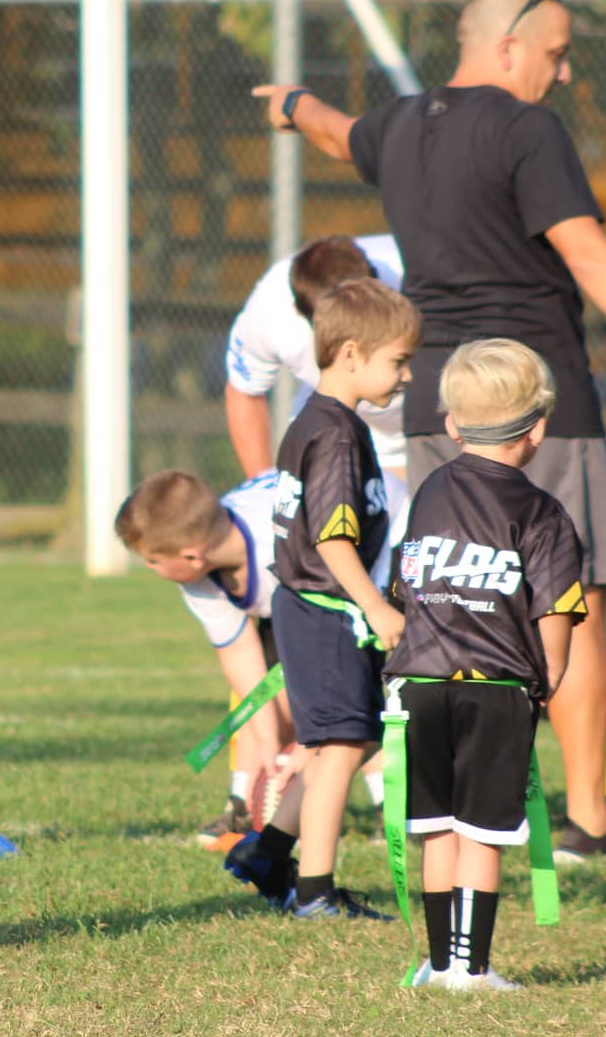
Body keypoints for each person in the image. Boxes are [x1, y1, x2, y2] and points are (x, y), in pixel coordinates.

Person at [255, 0, 606, 864]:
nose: (562, 75)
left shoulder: (401, 124)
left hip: (437, 399)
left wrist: (292, 105)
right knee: (571, 601)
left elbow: (335, 132)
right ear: (508, 48)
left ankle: (457, 797)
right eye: (556, 55)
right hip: (534, 397)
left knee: (455, 594)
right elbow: (587, 252)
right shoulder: (527, 129)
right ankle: (589, 821)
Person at [389, 339, 585, 992]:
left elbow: (404, 583)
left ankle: (439, 963)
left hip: (418, 683)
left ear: (452, 425)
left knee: (436, 830)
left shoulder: (427, 493)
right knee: (481, 833)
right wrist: (550, 674)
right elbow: (555, 605)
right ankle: (471, 969)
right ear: (538, 429)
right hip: (496, 688)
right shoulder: (541, 512)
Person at [263, 277, 418, 920]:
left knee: (344, 741)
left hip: (314, 608)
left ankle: (268, 853)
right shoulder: (335, 434)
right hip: (327, 609)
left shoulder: (322, 420)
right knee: (345, 745)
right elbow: (332, 535)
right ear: (352, 354)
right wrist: (376, 606)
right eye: (398, 361)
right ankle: (315, 892)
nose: (407, 376)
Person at [114, 468, 297, 846]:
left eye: (153, 561)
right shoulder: (200, 573)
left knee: (336, 703)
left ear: (192, 556)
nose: (149, 568)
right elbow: (240, 654)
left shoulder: (284, 543)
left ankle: (387, 801)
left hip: (377, 570)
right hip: (291, 603)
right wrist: (268, 739)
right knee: (268, 706)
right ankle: (244, 806)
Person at [224, 234, 407, 478]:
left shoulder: (418, 277)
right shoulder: (271, 310)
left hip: (423, 439)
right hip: (332, 436)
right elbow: (244, 392)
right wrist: (262, 484)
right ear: (302, 311)